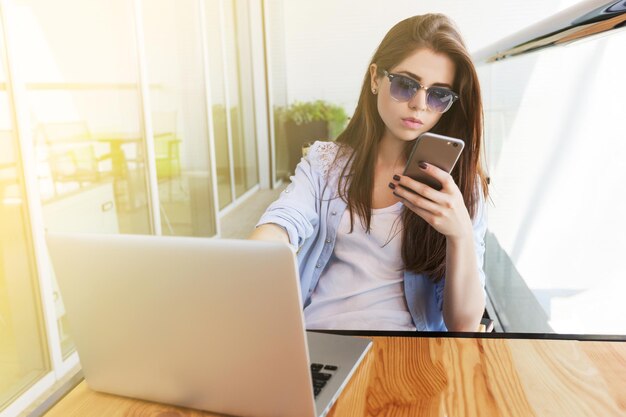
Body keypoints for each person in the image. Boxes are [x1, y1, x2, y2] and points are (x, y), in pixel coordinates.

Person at [250, 13, 489, 332]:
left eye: (438, 95)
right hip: (320, 339)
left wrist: (459, 235)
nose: (419, 104)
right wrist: (258, 252)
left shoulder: (459, 187)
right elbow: (284, 219)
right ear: (376, 78)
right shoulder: (326, 163)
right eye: (406, 85)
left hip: (409, 353)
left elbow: (464, 325)